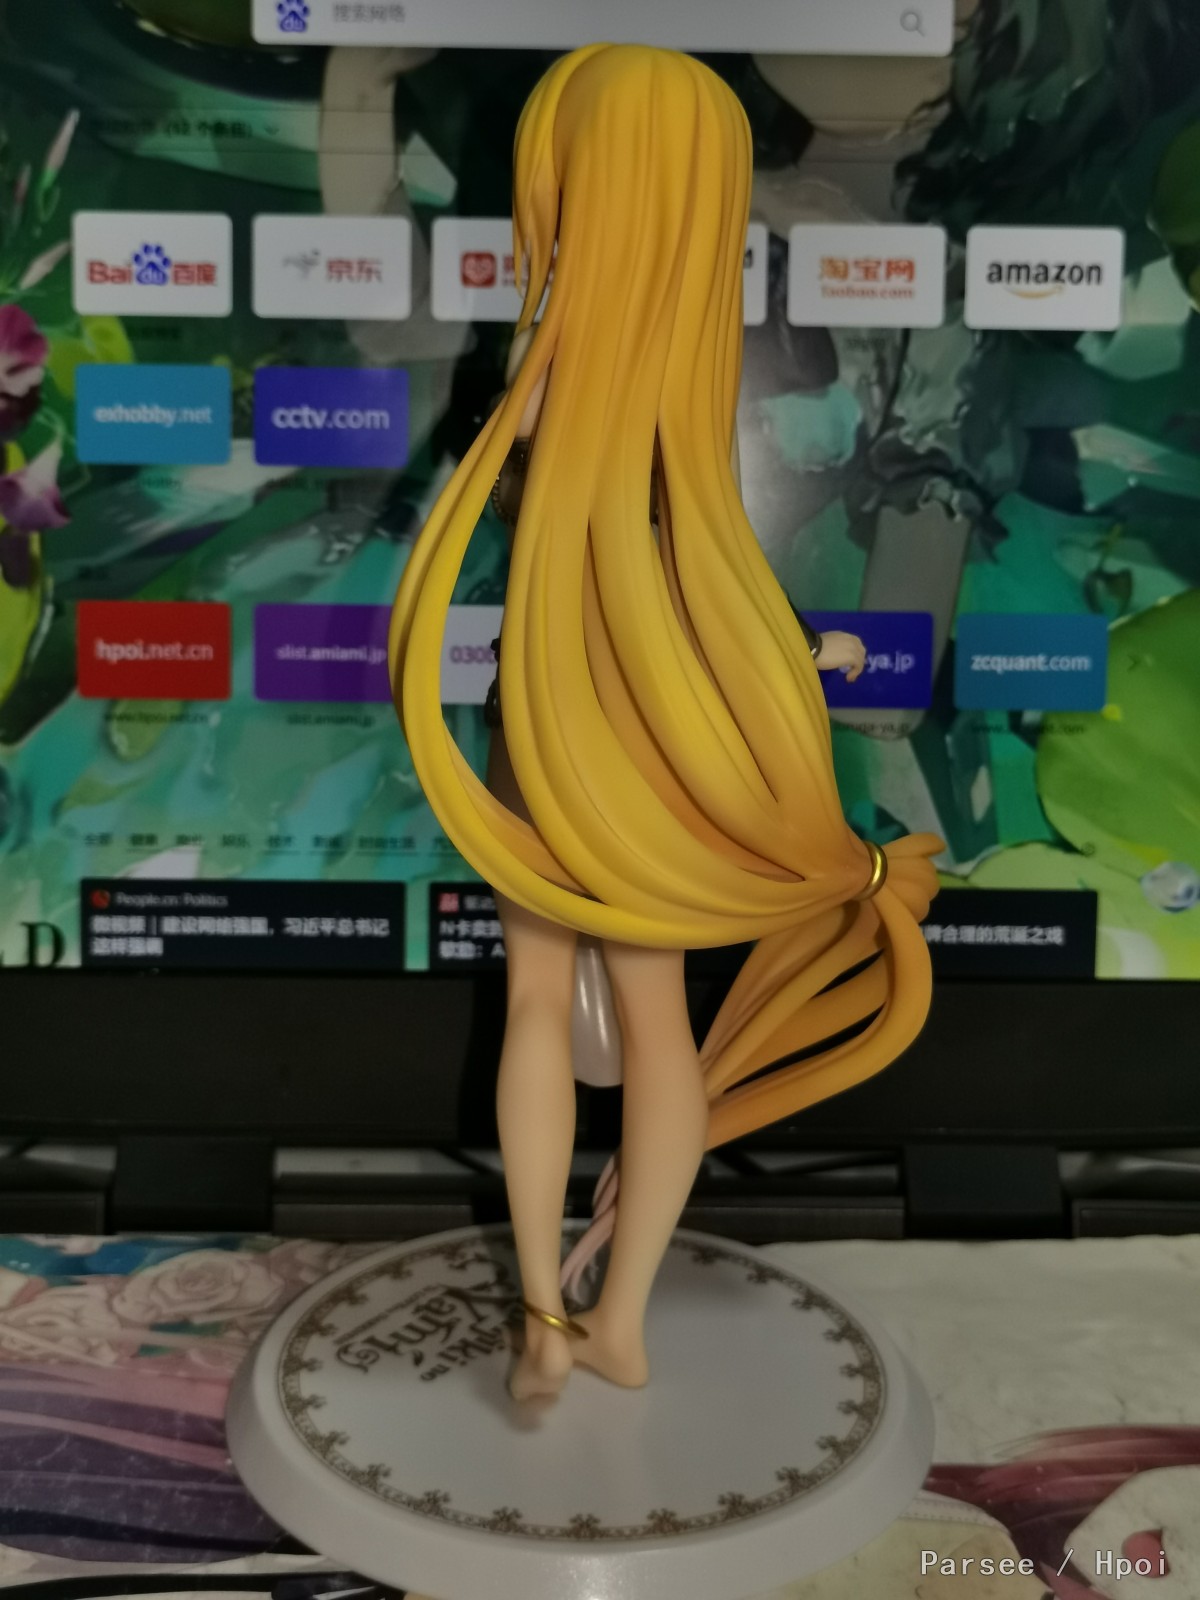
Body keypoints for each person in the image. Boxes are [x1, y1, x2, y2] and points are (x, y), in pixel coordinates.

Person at [390, 43, 943, 1403]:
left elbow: (646, 565)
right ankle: (617, 1318)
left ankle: (545, 1308)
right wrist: (793, 654)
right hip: (644, 746)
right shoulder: (684, 385)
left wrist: (783, 650)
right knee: (656, 1028)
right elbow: (694, 573)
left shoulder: (537, 386)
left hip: (547, 729)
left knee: (538, 1003)